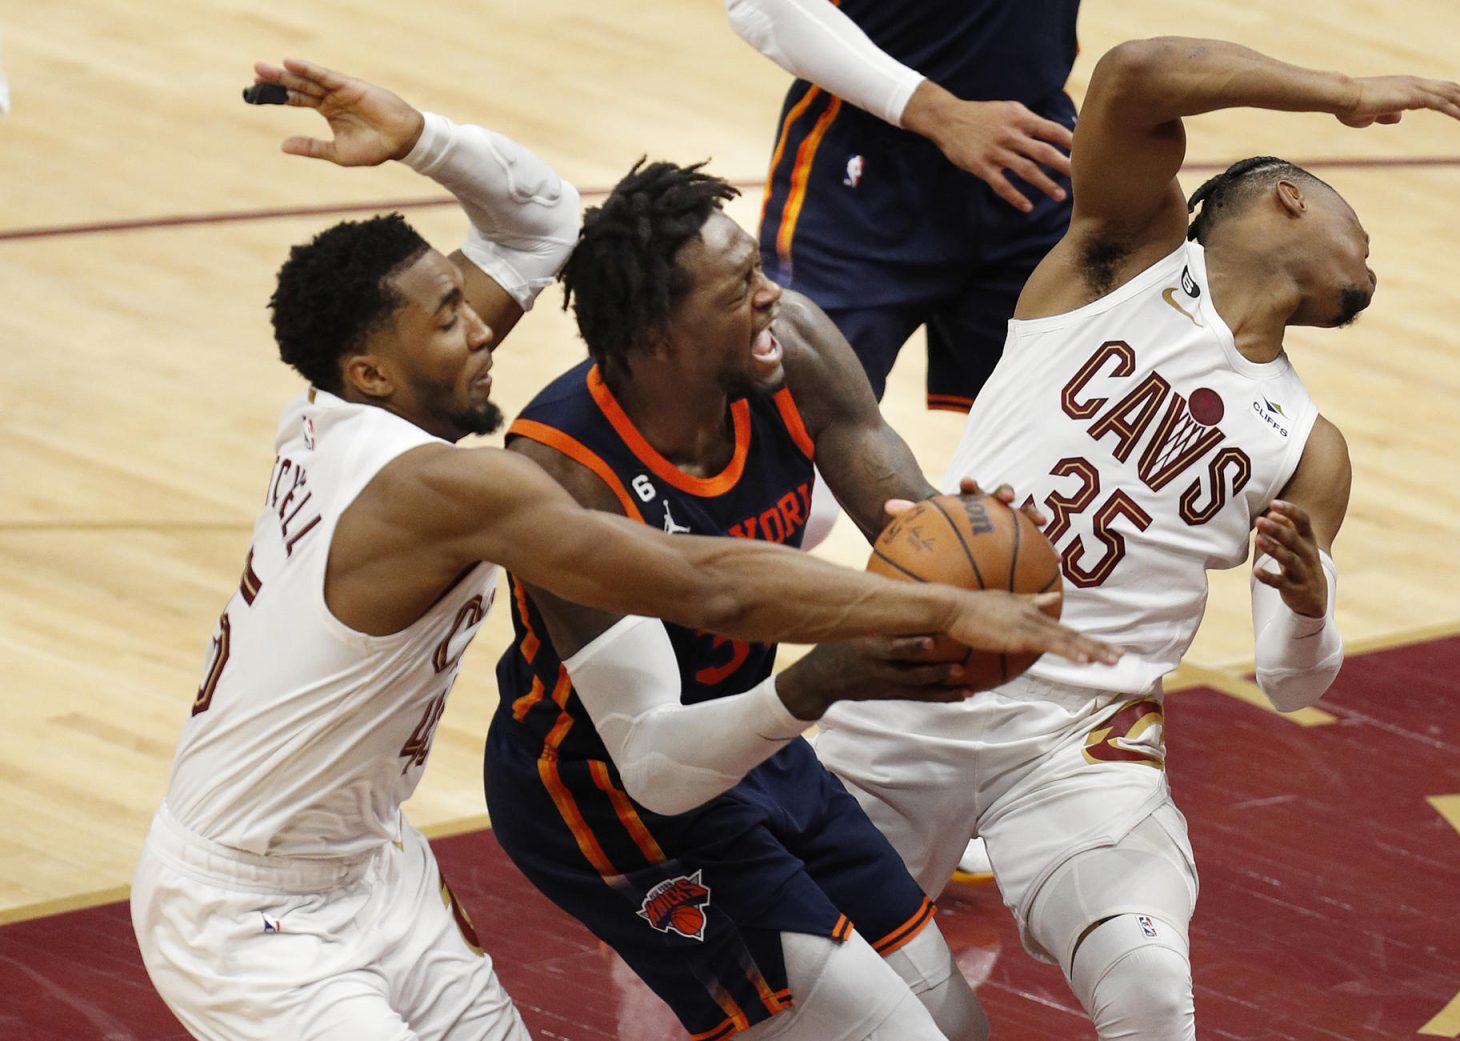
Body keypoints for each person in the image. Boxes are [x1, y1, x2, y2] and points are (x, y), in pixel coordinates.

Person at [128, 60, 1117, 1041]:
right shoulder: (450, 488)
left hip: (372, 861)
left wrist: (422, 136)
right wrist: (937, 608)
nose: (484, 326)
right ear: (373, 368)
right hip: (248, 905)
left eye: (463, 299)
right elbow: (702, 584)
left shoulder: (339, 406)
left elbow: (539, 220)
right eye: (447, 317)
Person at [812, 37, 1460, 1041]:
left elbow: (1292, 679)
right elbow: (1134, 74)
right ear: (1289, 201)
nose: (1373, 258)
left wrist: (1310, 606)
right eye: (1363, 228)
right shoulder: (1122, 258)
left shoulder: (1309, 448)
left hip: (1079, 734)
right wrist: (1343, 91)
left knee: (1148, 989)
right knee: (891, 1014)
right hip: (921, 660)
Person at [481, 152, 1106, 1039]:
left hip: (755, 741)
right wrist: (823, 680)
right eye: (738, 287)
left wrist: (979, 553)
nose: (771, 294)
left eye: (759, 270)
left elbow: (913, 529)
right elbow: (654, 761)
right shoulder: (559, 477)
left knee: (955, 1024)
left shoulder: (792, 348)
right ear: (659, 335)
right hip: (610, 788)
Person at [729, 0, 1078, 412]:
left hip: (1030, 152)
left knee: (1054, 420)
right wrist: (936, 111)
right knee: (797, 415)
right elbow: (757, 5)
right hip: (863, 167)